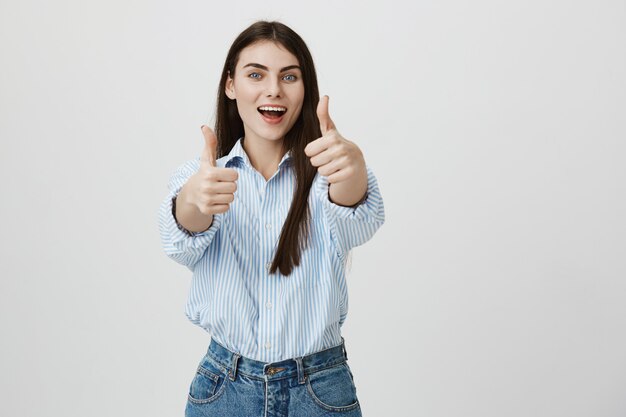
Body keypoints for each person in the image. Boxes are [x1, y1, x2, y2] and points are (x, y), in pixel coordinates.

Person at [158, 20, 385, 417]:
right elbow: (181, 233)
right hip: (224, 389)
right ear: (231, 86)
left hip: (319, 390)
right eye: (256, 74)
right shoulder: (203, 176)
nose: (273, 90)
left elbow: (356, 213)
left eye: (289, 76)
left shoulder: (327, 177)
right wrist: (194, 199)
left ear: (305, 89)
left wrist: (354, 169)